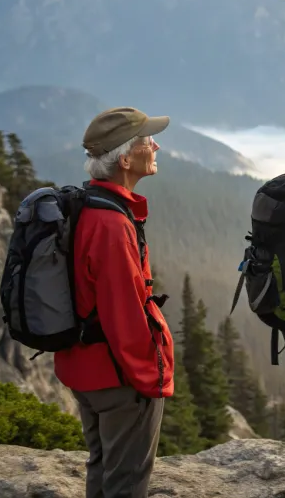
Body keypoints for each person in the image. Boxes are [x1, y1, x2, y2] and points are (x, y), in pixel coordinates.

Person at [54, 106, 176, 498]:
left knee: (103, 468)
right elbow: (124, 315)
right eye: (147, 141)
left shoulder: (86, 207)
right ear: (125, 159)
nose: (155, 145)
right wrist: (150, 379)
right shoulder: (111, 225)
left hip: (84, 366)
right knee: (126, 483)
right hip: (119, 378)